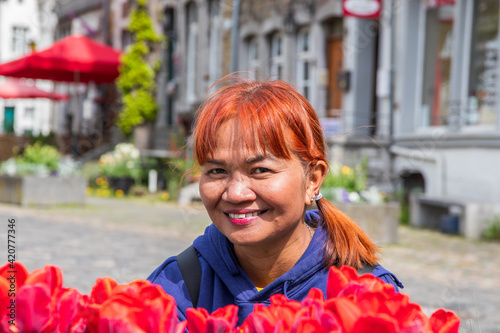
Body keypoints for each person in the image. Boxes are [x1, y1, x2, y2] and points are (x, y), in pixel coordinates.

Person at [148, 75, 403, 325]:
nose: (236, 194)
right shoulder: (176, 289)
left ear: (313, 180)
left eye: (260, 170)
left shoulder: (366, 298)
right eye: (217, 171)